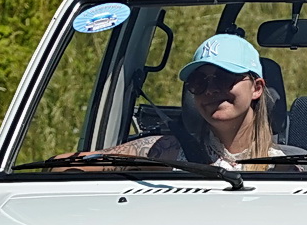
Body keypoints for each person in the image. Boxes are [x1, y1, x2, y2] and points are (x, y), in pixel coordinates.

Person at [107, 33, 287, 169]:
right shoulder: (165, 151)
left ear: (256, 88)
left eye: (224, 78)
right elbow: (92, 161)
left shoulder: (286, 169)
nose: (210, 90)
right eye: (198, 82)